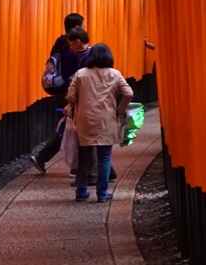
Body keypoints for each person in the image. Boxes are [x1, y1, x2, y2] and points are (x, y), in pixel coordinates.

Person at [65, 42, 132, 201]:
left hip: (85, 119)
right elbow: (128, 93)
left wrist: (76, 105)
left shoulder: (81, 74)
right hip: (107, 119)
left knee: (84, 157)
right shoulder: (115, 74)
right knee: (104, 158)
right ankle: (102, 194)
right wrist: (120, 110)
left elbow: (70, 96)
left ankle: (81, 192)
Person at [31, 28, 90, 173]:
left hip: (60, 92)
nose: (71, 46)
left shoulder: (58, 47)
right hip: (69, 95)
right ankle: (76, 168)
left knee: (67, 128)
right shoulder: (77, 54)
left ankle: (43, 157)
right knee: (73, 129)